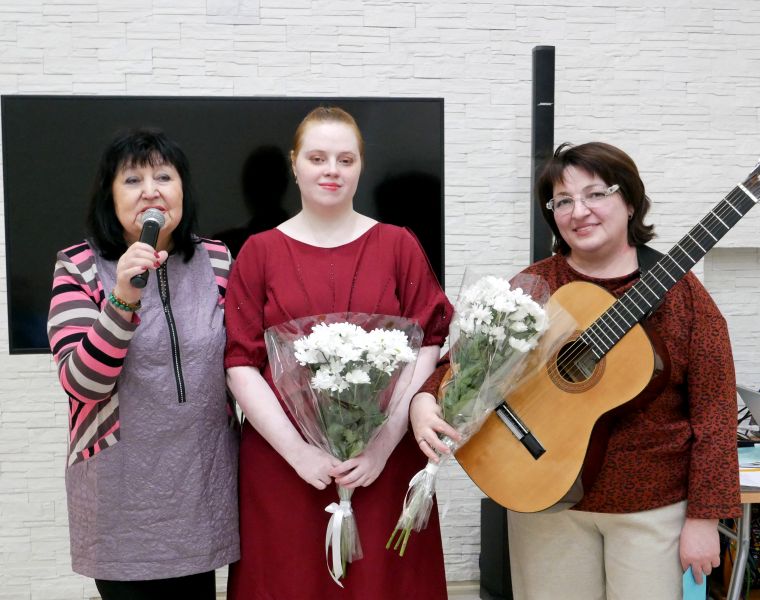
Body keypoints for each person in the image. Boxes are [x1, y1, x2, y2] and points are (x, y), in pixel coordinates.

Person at [410, 142, 741, 599]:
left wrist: (705, 517)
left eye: (595, 194)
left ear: (630, 201)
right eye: (563, 201)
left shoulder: (683, 296)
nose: (579, 211)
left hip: (650, 509)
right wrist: (425, 397)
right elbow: (466, 362)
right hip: (541, 495)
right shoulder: (537, 285)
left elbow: (716, 415)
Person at [224, 106, 453, 599]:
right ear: (295, 164)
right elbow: (240, 363)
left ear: (360, 166)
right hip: (284, 464)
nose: (332, 170)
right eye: (318, 158)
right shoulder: (258, 252)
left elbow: (430, 341)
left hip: (382, 461)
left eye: (345, 159)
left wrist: (383, 443)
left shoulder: (398, 245)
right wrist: (298, 453)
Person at [47, 128, 239, 599]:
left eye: (164, 177)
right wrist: (123, 296)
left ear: (183, 190)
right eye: (133, 180)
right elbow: (82, 384)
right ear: (109, 196)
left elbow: (243, 363)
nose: (151, 190)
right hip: (121, 489)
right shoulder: (78, 266)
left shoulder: (217, 260)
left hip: (202, 481)